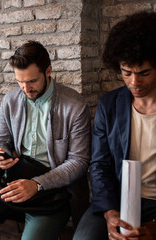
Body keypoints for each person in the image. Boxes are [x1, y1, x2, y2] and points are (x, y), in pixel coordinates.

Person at [0, 41, 91, 240]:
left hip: (52, 192)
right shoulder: (11, 100)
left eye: (32, 81)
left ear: (48, 71)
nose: (25, 88)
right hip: (12, 181)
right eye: (20, 81)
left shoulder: (74, 106)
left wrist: (37, 184)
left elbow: (79, 162)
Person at [73, 11, 156, 240]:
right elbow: (100, 165)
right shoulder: (109, 105)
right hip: (118, 199)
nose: (134, 82)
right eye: (126, 73)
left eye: (144, 73)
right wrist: (110, 213)